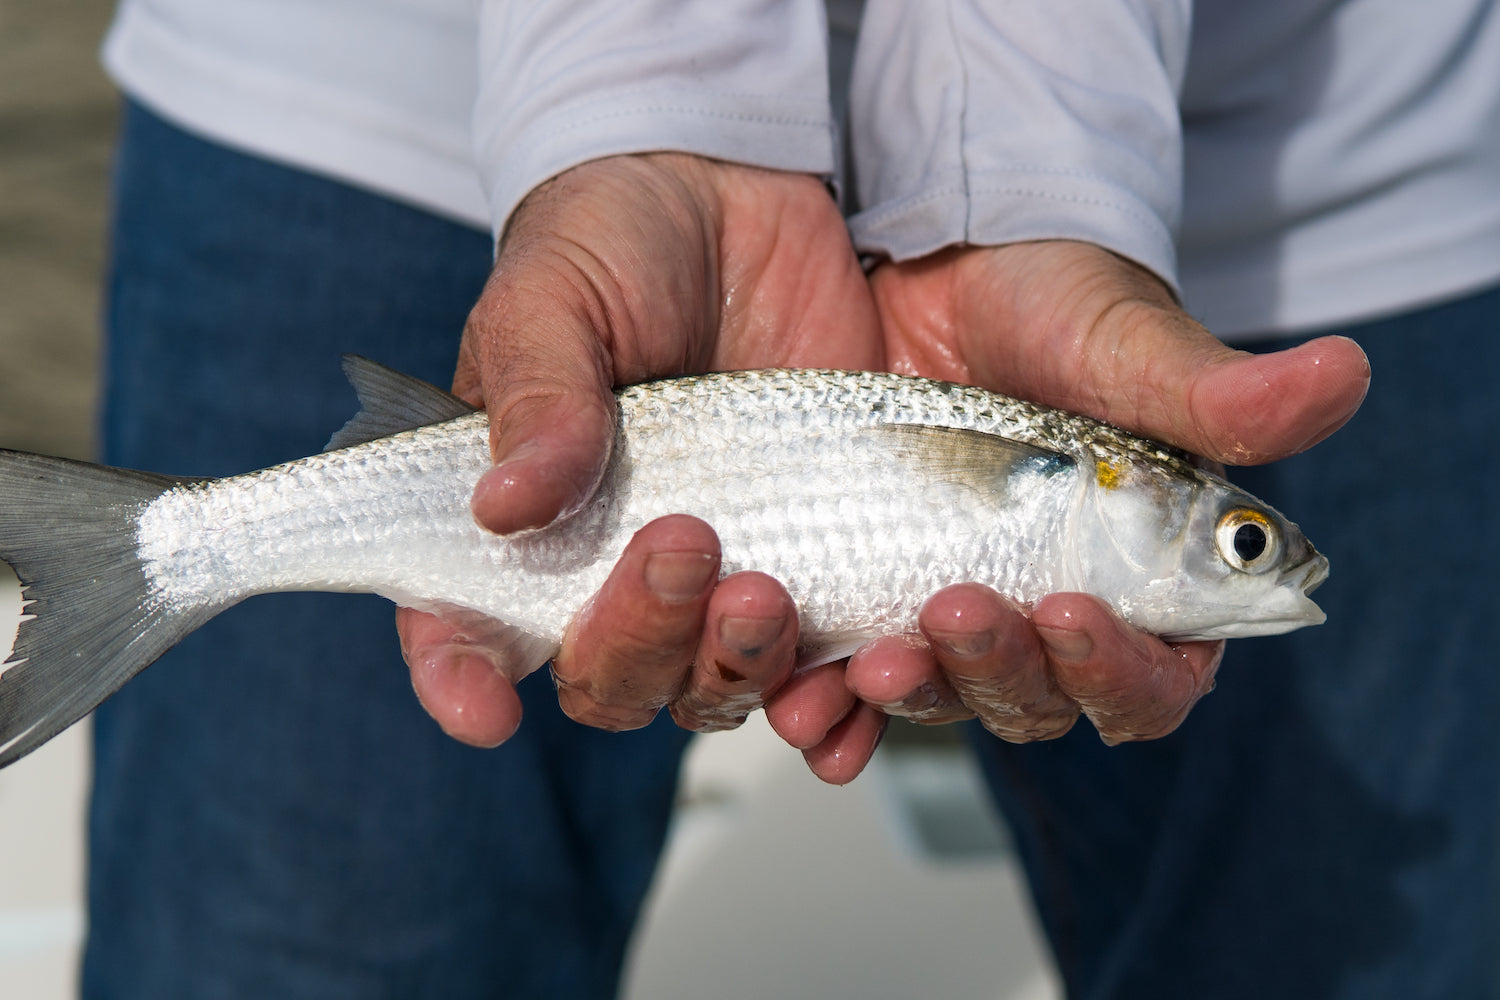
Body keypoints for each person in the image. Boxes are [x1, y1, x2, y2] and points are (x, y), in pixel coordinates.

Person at [84, 2, 1496, 999]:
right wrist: (649, 93)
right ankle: (162, 552)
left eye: (1240, 536)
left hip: (1319, 143)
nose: (1253, 556)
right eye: (1237, 537)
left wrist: (1020, 169)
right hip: (381, 91)